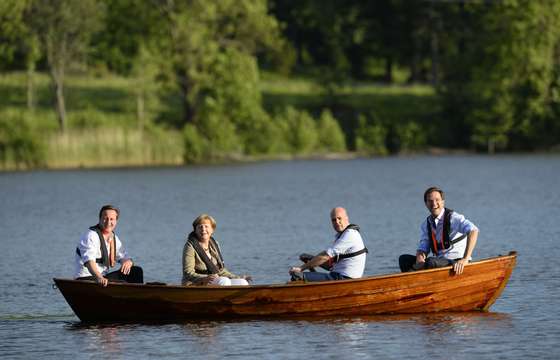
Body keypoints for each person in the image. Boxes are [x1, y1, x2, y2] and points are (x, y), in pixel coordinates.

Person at [399, 186, 479, 275]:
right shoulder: (426, 224)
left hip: (456, 263)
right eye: (430, 201)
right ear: (426, 204)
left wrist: (465, 259)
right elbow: (423, 248)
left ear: (443, 202)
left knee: (430, 262)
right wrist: (420, 257)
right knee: (403, 259)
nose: (434, 204)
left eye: (437, 200)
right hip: (439, 262)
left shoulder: (453, 218)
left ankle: (419, 283)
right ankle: (411, 285)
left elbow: (473, 230)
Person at [289, 207, 367, 282]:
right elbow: (330, 267)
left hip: (344, 279)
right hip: (337, 277)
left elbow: (325, 256)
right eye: (334, 220)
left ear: (346, 218)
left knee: (297, 275)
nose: (337, 222)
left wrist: (301, 268)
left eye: (339, 218)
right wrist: (310, 259)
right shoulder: (342, 235)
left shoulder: (350, 234)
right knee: (301, 274)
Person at [74, 205, 143, 286]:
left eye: (111, 219)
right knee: (122, 283)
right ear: (100, 219)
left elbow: (123, 256)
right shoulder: (91, 236)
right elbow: (89, 262)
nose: (108, 222)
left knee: (136, 271)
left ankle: (139, 295)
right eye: (105, 218)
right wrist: (99, 277)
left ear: (116, 221)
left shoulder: (114, 238)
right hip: (85, 278)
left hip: (103, 277)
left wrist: (128, 262)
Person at [182, 214, 252, 286]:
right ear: (195, 230)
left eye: (206, 226)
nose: (203, 229)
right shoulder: (190, 246)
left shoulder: (214, 244)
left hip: (215, 280)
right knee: (224, 281)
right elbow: (188, 273)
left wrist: (238, 277)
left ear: (212, 230)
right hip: (196, 282)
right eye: (200, 227)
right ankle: (221, 297)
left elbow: (220, 270)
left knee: (242, 282)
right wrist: (205, 278)